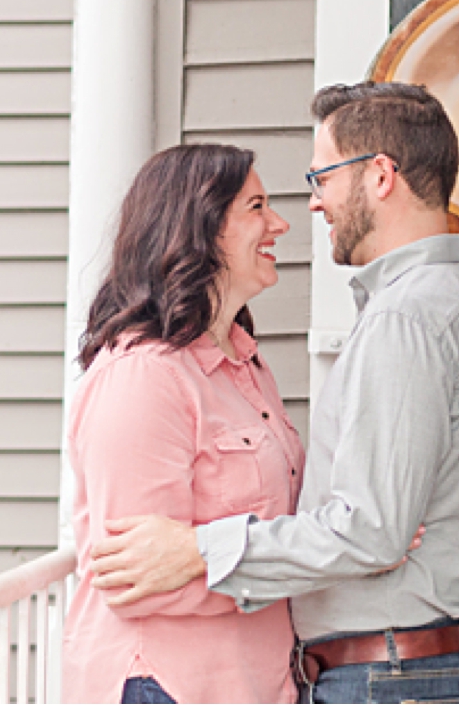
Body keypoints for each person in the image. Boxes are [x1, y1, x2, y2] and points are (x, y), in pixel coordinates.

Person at [88, 82, 459, 704]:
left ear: (379, 175)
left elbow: (372, 532)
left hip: (392, 676)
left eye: (322, 178)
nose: (313, 206)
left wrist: (199, 549)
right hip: (398, 670)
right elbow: (376, 527)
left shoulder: (404, 319)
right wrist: (352, 526)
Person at [62, 144, 306, 704]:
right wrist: (296, 565)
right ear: (200, 228)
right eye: (256, 207)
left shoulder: (244, 364)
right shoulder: (143, 376)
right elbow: (132, 579)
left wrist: (359, 529)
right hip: (165, 685)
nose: (279, 223)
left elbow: (276, 516)